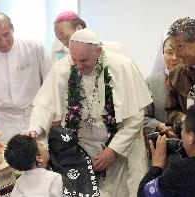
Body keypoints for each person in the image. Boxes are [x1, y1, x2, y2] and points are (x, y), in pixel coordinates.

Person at [29, 29, 152, 197]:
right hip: (82, 150)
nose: (78, 66)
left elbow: (135, 118)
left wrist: (113, 150)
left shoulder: (121, 66)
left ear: (98, 52)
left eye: (84, 60)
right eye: (75, 59)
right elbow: (45, 104)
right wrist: (35, 129)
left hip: (120, 149)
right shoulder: (64, 67)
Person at [0, 12, 51, 141]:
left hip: (35, 119)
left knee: (39, 159)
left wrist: (55, 118)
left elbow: (50, 85)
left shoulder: (34, 48)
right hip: (3, 125)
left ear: (12, 28)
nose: (3, 42)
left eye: (6, 35)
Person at [138, 102, 195, 196]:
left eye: (182, 128)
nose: (181, 135)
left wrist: (157, 166)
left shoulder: (181, 171)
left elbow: (144, 193)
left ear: (191, 138)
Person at [165, 17, 195, 122]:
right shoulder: (176, 74)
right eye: (174, 48)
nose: (176, 55)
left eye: (180, 47)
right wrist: (184, 119)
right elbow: (171, 110)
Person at [143, 33, 179, 136]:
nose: (174, 58)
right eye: (169, 52)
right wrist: (159, 125)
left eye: (177, 52)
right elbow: (142, 117)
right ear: (162, 54)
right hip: (162, 141)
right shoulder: (151, 82)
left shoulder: (194, 79)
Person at [54, 11, 129, 57]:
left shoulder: (115, 49)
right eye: (60, 40)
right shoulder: (67, 60)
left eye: (65, 37)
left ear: (79, 29)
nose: (63, 43)